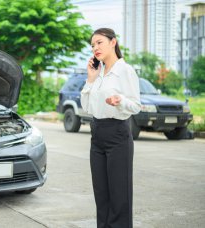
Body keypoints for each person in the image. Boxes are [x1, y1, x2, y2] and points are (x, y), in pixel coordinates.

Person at [81, 28, 141, 228]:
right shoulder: (98, 73)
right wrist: (90, 79)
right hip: (97, 135)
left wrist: (120, 100)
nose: (95, 48)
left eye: (99, 42)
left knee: (119, 195)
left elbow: (136, 106)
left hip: (117, 135)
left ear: (113, 42)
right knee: (102, 195)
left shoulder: (125, 70)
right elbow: (87, 107)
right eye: (92, 45)